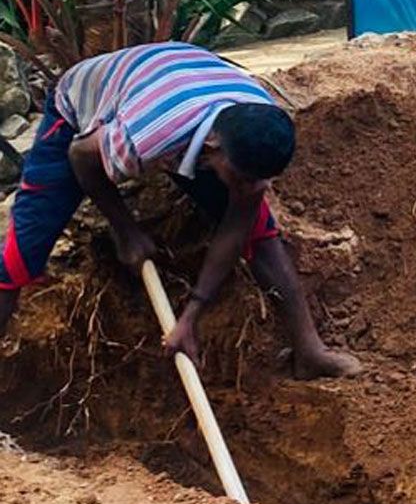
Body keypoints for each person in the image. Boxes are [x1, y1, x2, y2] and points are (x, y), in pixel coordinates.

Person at [0, 43, 359, 378]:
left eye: (262, 179)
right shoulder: (147, 136)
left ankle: (309, 351)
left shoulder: (258, 126)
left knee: (261, 234)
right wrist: (125, 230)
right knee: (25, 249)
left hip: (187, 87)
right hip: (83, 103)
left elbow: (235, 229)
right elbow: (81, 156)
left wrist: (191, 314)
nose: (253, 188)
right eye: (244, 177)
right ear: (212, 147)